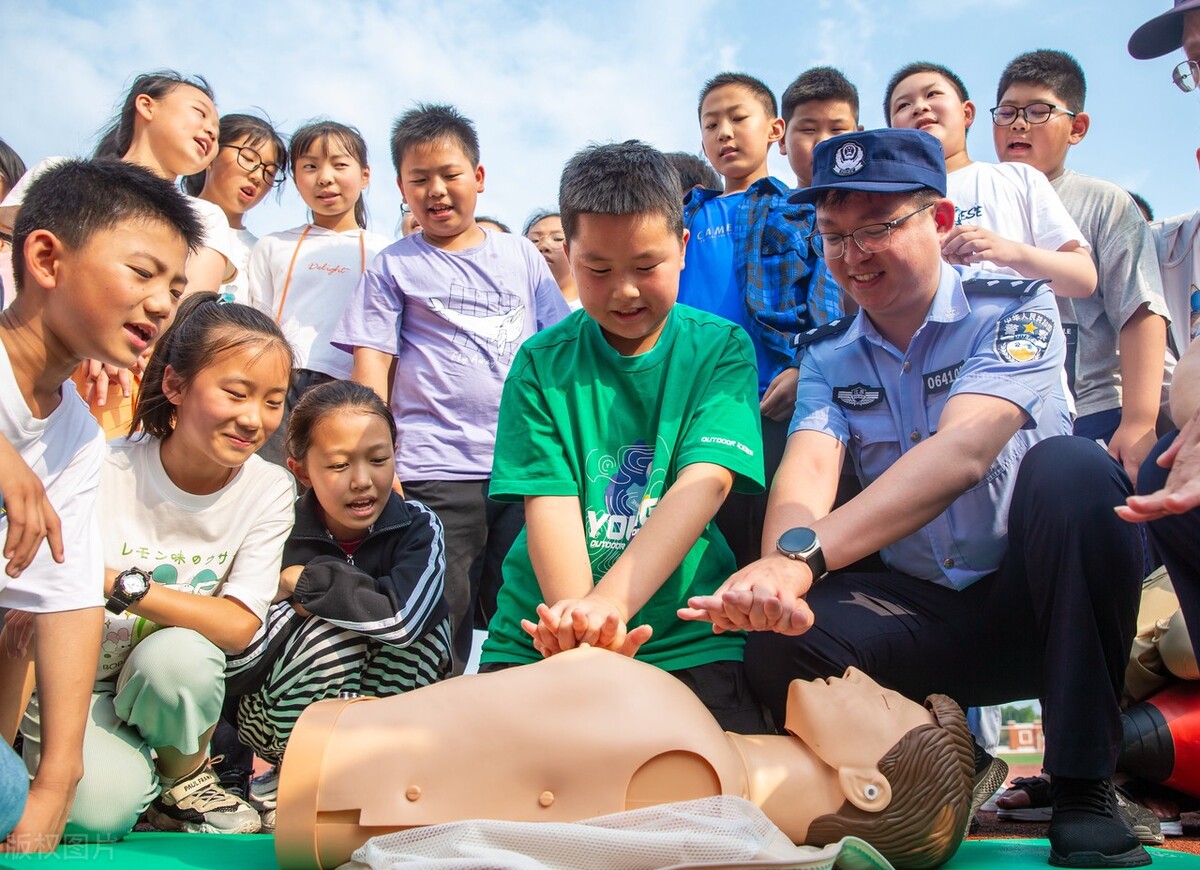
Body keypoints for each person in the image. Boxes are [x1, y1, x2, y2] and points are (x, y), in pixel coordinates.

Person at [680, 128, 1150, 868]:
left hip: (1038, 605)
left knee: (1076, 475)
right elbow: (807, 471)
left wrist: (804, 559)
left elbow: (962, 452)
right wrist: (777, 573)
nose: (852, 255)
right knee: (780, 639)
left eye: (876, 229)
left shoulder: (1015, 307)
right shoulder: (829, 351)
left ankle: (1084, 783)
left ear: (937, 221)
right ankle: (929, 772)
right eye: (834, 236)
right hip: (922, 611)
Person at [479, 140, 768, 733]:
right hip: (542, 634)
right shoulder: (540, 363)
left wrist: (612, 606)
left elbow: (705, 481)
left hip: (685, 639)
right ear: (570, 257)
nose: (625, 290)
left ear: (683, 249)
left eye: (645, 266)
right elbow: (548, 499)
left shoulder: (721, 348)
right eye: (599, 270)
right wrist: (580, 624)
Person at [275, 649, 973, 870]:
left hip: (340, 786)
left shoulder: (692, 781)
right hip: (344, 762)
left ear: (867, 788)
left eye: (881, 700)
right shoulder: (699, 762)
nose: (857, 675)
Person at [17, 293, 296, 841]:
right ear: (174, 385)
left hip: (157, 676)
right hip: (67, 682)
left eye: (272, 401)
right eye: (236, 393)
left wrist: (109, 583)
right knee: (96, 816)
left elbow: (238, 626)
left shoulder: (269, 488)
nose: (253, 418)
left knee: (182, 657)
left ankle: (181, 779)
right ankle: (122, 780)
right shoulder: (102, 465)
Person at [0, 159, 201, 852]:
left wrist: (57, 780)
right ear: (47, 258)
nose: (161, 304)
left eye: (175, 288)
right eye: (142, 273)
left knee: (13, 801)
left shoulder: (79, 436)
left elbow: (67, 597)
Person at [333, 103, 569, 674]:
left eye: (450, 175)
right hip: (436, 470)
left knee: (530, 609)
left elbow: (560, 352)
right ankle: (433, 739)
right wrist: (380, 466)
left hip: (526, 468)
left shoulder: (520, 256)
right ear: (401, 189)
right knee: (440, 617)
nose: (437, 191)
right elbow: (371, 369)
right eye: (420, 180)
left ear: (479, 179)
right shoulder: (393, 267)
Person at [221, 379, 451, 833]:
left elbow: (403, 621)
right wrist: (351, 604)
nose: (362, 480)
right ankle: (299, 776)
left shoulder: (419, 525)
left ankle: (378, 774)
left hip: (388, 726)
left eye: (379, 460)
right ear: (301, 470)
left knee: (427, 637)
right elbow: (239, 656)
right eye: (339, 465)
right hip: (276, 719)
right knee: (335, 636)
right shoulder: (277, 526)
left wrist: (306, 584)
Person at [681, 72, 843, 568]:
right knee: (701, 538)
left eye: (737, 118)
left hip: (773, 400)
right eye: (712, 125)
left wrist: (802, 366)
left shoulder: (799, 210)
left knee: (767, 535)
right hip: (694, 403)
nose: (724, 133)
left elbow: (827, 302)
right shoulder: (683, 218)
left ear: (774, 129)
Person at [992, 50, 1169, 482]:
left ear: (1077, 128)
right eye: (1008, 112)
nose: (1019, 123)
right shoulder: (977, 201)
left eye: (1038, 111)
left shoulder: (1103, 202)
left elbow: (1140, 310)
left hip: (1094, 412)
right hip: (998, 416)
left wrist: (1138, 422)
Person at [885, 61, 1097, 301]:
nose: (920, 107)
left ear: (967, 113)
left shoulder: (1019, 178)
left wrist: (1008, 251)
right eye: (903, 105)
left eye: (932, 94)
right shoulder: (888, 203)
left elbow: (1083, 277)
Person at [248, 121, 391, 467]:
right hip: (279, 382)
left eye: (340, 165)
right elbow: (256, 318)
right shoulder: (273, 245)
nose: (324, 178)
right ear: (296, 178)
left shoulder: (385, 253)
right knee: (270, 478)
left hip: (347, 387)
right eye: (310, 166)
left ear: (365, 175)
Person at [184, 114, 289, 306]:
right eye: (249, 158)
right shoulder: (169, 213)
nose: (258, 176)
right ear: (211, 153)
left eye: (270, 172)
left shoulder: (261, 251)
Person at [778, 66, 863, 190]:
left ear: (860, 139)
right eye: (808, 129)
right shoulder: (765, 208)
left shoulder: (883, 204)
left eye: (837, 129)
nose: (823, 142)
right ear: (782, 141)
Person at [523, 209, 578, 310]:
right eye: (534, 240)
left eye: (557, 238)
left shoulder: (592, 310)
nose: (543, 246)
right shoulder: (518, 310)